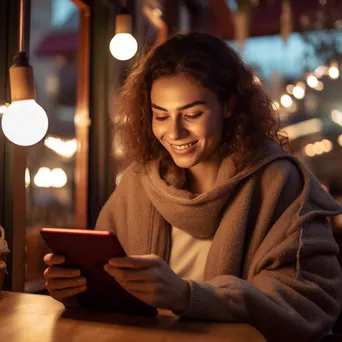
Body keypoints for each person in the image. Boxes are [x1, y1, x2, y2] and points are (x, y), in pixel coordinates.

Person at [43, 32, 342, 341]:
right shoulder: (138, 183)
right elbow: (110, 286)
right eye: (160, 115)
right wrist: (77, 288)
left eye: (192, 114)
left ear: (228, 105)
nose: (174, 132)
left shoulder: (280, 183)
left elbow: (309, 301)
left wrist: (188, 296)